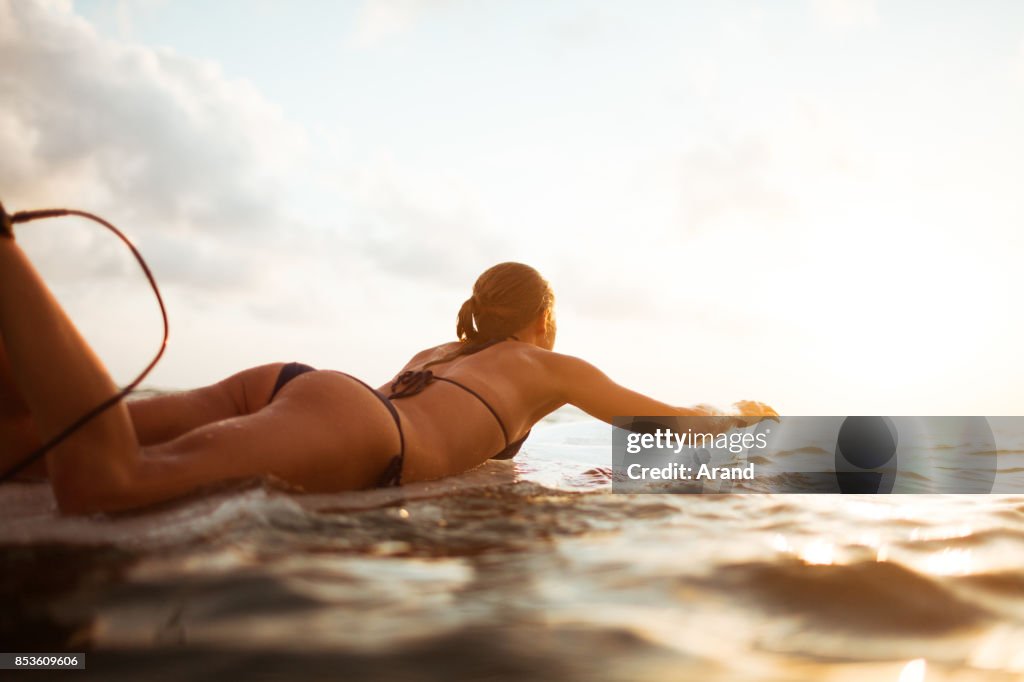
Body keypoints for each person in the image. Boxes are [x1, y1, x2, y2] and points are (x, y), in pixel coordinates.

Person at [0, 229, 777, 515]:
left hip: (296, 385)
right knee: (108, 483)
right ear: (542, 319)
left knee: (29, 446)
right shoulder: (547, 366)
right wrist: (752, 424)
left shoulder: (438, 355)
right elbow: (672, 428)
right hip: (356, 425)